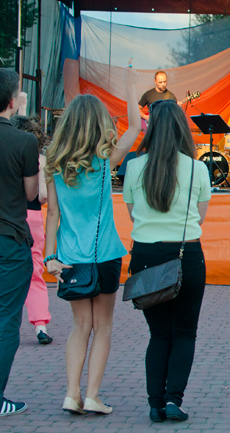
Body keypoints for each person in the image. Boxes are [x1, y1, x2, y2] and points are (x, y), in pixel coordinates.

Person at [44, 64, 140, 416]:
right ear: (99, 124)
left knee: (79, 327)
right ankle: (93, 396)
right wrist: (130, 86)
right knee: (104, 327)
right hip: (105, 255)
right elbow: (135, 128)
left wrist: (49, 257)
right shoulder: (104, 161)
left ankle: (72, 394)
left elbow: (52, 215)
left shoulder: (55, 164)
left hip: (70, 257)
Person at [123, 99, 211, 422]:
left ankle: (155, 404)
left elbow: (133, 215)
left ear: (151, 129)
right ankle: (174, 400)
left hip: (145, 256)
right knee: (185, 332)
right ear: (181, 128)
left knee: (159, 334)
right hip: (186, 254)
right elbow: (199, 217)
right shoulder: (198, 168)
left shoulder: (134, 166)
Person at [0, 70, 39, 417]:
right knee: (6, 320)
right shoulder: (23, 142)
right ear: (13, 102)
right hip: (9, 240)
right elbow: (31, 194)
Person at [11, 111, 53, 345]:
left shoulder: (6, 153)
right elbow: (44, 195)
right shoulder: (40, 160)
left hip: (8, 216)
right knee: (35, 272)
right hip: (33, 216)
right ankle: (40, 326)